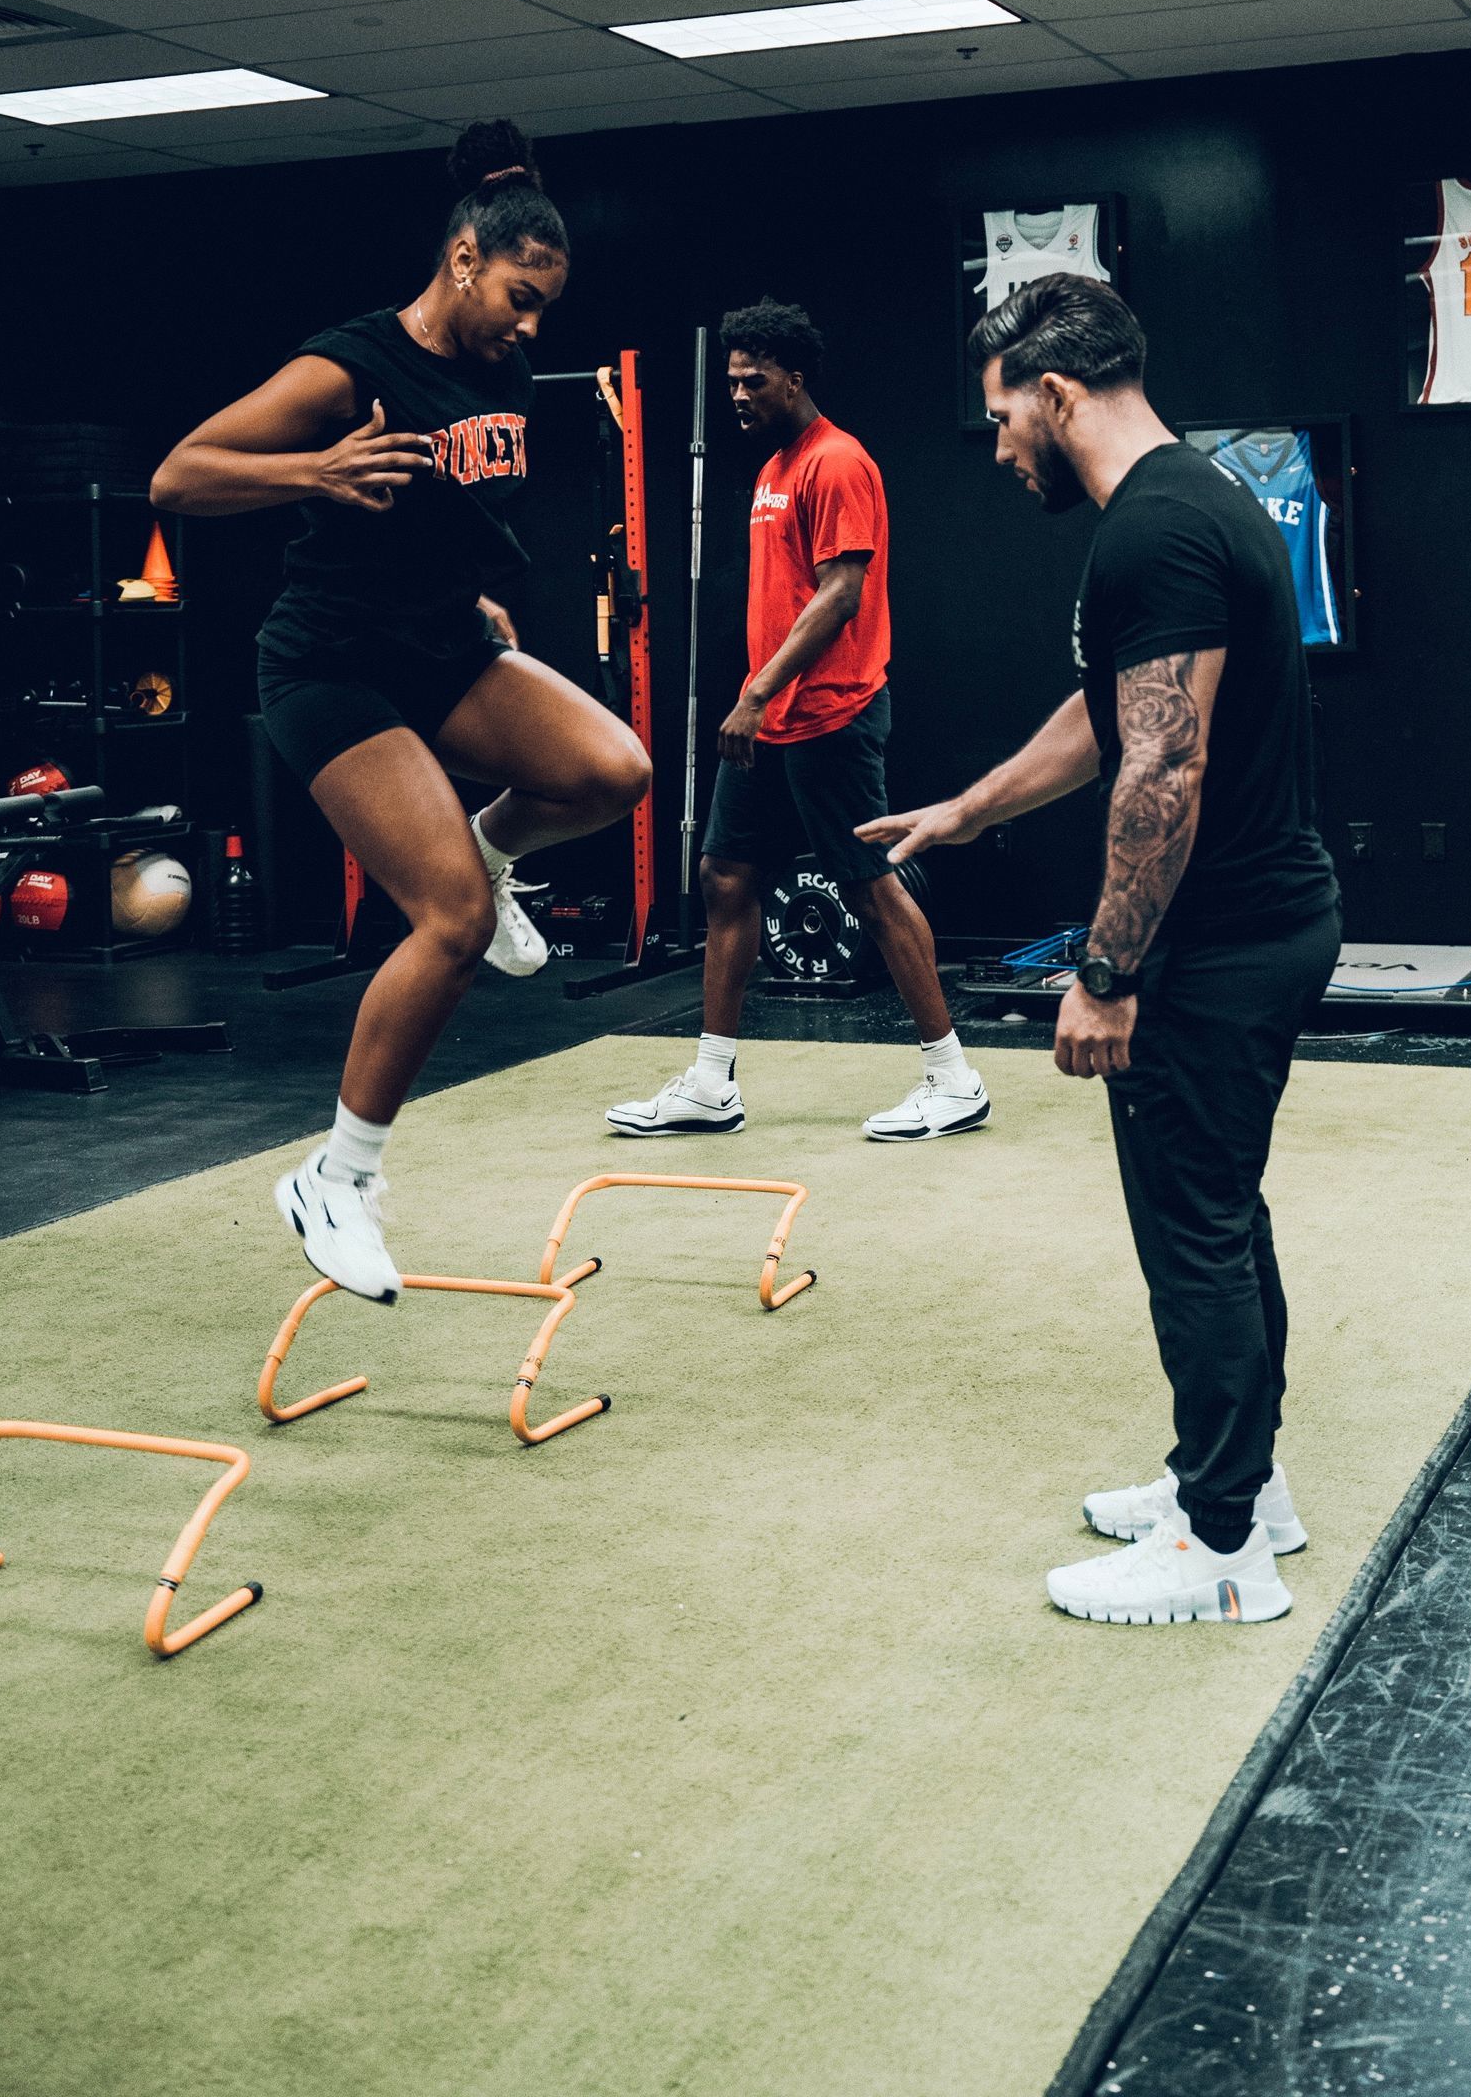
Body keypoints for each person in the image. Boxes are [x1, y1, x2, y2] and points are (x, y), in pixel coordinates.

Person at [859, 272, 1341, 1626]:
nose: (1002, 444)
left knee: (1192, 1232)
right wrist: (970, 807)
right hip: (1261, 919)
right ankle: (1242, 1485)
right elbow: (1111, 721)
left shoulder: (1154, 534)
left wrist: (1106, 971)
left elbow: (1163, 775)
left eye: (1003, 414)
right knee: (1222, 1218)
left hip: (1221, 942)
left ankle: (1222, 1551)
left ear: (1053, 391)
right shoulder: (1195, 502)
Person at [151, 121, 649, 1301]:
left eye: (546, 308)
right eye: (519, 297)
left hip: (442, 645)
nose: (532, 327)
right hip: (328, 666)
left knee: (614, 773)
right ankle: (338, 1174)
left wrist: (474, 585)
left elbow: (451, 495)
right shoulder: (348, 366)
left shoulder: (505, 372)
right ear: (465, 258)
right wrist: (310, 472)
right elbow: (181, 475)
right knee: (451, 926)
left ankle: (490, 850)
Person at [607, 297, 987, 1144]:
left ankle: (953, 1077)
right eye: (732, 380)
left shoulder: (836, 461)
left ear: (795, 377)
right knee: (726, 881)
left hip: (829, 717)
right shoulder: (774, 467)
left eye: (753, 381)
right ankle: (711, 1085)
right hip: (774, 723)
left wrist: (757, 692)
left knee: (868, 886)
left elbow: (840, 596)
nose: (737, 394)